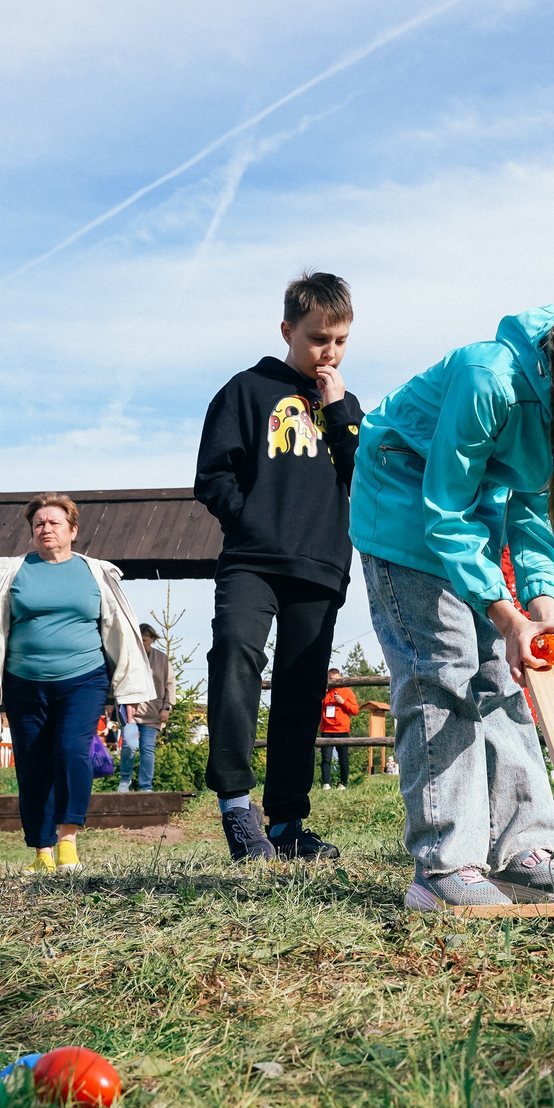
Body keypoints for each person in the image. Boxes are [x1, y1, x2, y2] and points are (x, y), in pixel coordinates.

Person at [350, 289, 554, 909]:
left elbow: (537, 518)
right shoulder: (486, 377)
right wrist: (504, 610)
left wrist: (540, 610)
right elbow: (445, 510)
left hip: (475, 510)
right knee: (444, 673)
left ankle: (523, 854)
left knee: (505, 673)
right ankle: (445, 868)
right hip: (406, 502)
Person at [195, 272, 363, 862]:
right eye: (319, 338)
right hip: (253, 560)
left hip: (320, 567)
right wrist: (251, 522)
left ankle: (288, 821)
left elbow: (361, 478)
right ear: (289, 329)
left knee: (302, 690)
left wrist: (340, 410)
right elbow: (212, 476)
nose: (331, 351)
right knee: (235, 658)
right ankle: (237, 809)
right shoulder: (246, 390)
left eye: (340, 340)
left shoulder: (345, 406)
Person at [0, 494, 158, 871]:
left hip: (83, 680)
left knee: (70, 752)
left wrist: (129, 688)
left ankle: (68, 840)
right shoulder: (12, 571)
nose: (45, 529)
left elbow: (121, 630)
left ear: (73, 530)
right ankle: (42, 852)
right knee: (33, 765)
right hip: (23, 682)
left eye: (53, 522)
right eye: (38, 524)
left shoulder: (96, 572)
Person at [118, 623, 171, 791]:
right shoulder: (129, 657)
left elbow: (170, 684)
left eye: (145, 640)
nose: (142, 644)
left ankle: (145, 786)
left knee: (147, 749)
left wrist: (167, 707)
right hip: (130, 711)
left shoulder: (162, 659)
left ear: (153, 640)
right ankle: (125, 780)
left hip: (153, 711)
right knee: (129, 744)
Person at [317, 668, 359, 788]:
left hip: (342, 730)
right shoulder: (323, 693)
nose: (334, 682)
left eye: (336, 680)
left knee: (343, 759)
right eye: (331, 680)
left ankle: (343, 784)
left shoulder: (347, 691)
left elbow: (355, 710)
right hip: (326, 730)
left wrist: (343, 702)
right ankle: (326, 783)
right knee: (326, 759)